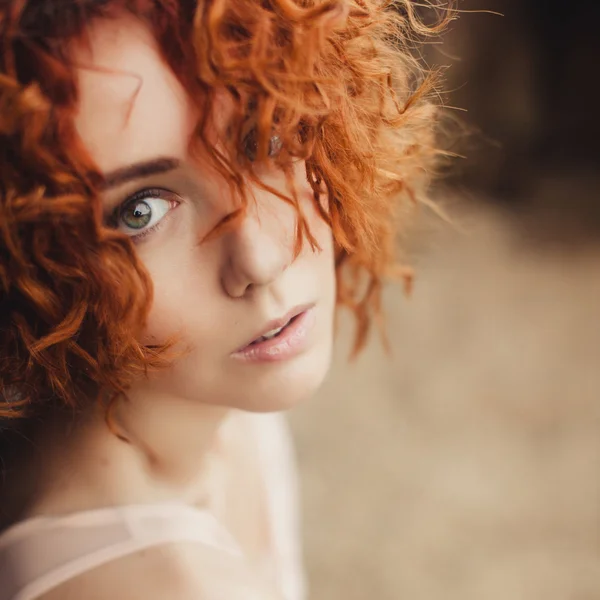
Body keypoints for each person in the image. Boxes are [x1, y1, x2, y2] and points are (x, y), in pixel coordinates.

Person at [0, 0, 447, 598]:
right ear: (31, 252)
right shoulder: (159, 582)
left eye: (265, 136)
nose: (259, 261)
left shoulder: (206, 400)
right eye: (142, 210)